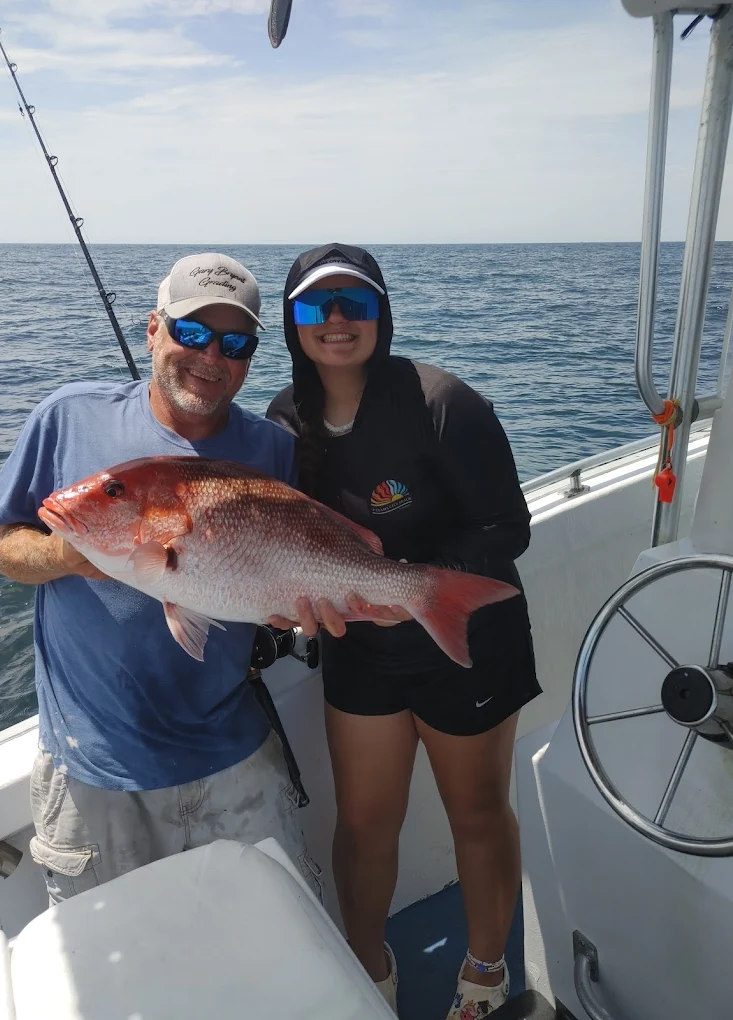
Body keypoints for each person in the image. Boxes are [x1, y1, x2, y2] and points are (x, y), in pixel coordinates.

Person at [0, 252, 322, 905]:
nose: (210, 355)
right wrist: (68, 555)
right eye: (191, 332)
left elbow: (272, 566)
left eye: (234, 342)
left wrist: (285, 606)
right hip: (94, 767)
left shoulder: (272, 448)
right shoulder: (68, 417)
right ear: (151, 329)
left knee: (271, 933)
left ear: (250, 355)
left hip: (233, 749)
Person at [266, 243, 540, 1018]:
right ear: (292, 323)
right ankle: (367, 970)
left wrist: (414, 584)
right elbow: (277, 545)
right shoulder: (283, 421)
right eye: (318, 307)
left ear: (382, 312)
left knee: (477, 813)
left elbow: (506, 527)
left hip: (468, 643)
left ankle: (483, 975)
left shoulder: (442, 401)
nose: (339, 321)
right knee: (361, 824)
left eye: (356, 302)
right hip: (363, 652)